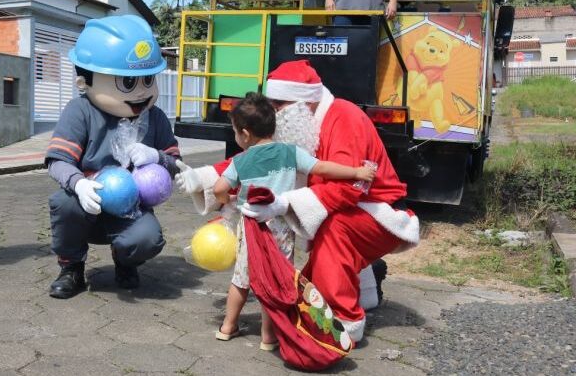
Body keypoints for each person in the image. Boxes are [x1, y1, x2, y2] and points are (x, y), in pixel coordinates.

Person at [177, 60, 419, 342]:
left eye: (278, 105)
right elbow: (254, 159)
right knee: (308, 288)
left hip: (379, 213)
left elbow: (349, 188)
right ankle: (364, 289)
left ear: (302, 103)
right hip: (349, 211)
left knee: (334, 230)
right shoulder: (295, 123)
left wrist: (284, 203)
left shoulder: (345, 117)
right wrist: (201, 177)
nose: (274, 114)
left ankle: (344, 326)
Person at [212, 92, 375, 350]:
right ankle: (268, 337)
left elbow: (219, 188)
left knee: (241, 279)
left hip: (251, 229)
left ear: (244, 133)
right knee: (275, 280)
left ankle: (228, 327)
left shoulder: (240, 161)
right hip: (281, 227)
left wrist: (229, 199)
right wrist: (356, 172)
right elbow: (322, 168)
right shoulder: (290, 153)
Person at [45, 15, 181, 299]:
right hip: (88, 205)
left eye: (148, 79)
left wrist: (156, 156)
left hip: (132, 206)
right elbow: (57, 160)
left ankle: (126, 260)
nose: (142, 91)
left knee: (149, 239)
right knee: (64, 202)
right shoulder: (80, 111)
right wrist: (79, 184)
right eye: (129, 82)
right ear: (85, 82)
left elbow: (174, 162)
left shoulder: (154, 118)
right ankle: (71, 266)